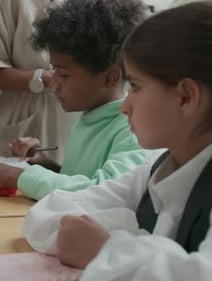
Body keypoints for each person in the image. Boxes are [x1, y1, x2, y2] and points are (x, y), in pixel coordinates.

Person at [23, 2, 212, 280]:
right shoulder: (156, 169)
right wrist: (131, 239)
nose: (125, 106)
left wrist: (108, 249)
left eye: (135, 87)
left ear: (186, 97)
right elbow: (47, 215)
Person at [0, 0, 148, 201]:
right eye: (54, 71)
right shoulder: (90, 119)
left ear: (109, 77)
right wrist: (43, 166)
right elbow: (77, 179)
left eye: (64, 75)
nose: (54, 82)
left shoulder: (132, 130)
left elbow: (103, 193)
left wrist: (13, 176)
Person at [0, 0, 78, 161]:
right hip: (28, 113)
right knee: (19, 180)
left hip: (83, 115)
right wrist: (42, 78)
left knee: (85, 181)